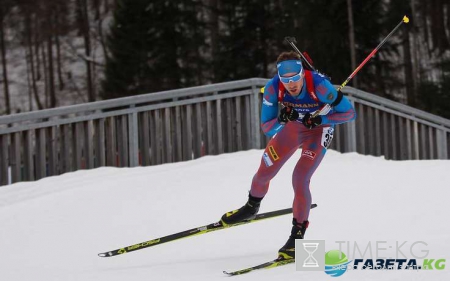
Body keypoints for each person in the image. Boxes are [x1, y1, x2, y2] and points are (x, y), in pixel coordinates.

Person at [221, 51, 356, 260]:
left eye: (295, 78)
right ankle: (250, 207)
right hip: (293, 127)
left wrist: (321, 120)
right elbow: (267, 127)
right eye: (286, 80)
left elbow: (349, 113)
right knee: (264, 172)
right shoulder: (273, 88)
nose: (291, 84)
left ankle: (297, 237)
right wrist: (283, 119)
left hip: (320, 130)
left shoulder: (319, 85)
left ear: (303, 73)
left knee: (300, 178)